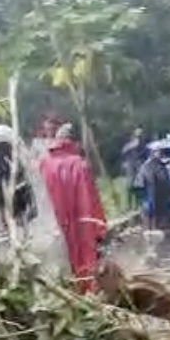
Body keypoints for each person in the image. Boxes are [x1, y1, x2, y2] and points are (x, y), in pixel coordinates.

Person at [39, 123, 107, 292]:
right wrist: (99, 229)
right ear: (74, 143)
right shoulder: (79, 165)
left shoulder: (43, 164)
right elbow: (90, 200)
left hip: (53, 225)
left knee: (61, 270)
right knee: (84, 266)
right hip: (80, 226)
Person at [138, 143, 170, 231]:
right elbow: (143, 182)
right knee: (151, 216)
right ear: (152, 153)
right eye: (157, 152)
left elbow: (166, 179)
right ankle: (151, 230)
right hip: (151, 196)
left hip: (162, 197)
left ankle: (161, 228)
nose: (159, 154)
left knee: (161, 217)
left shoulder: (160, 165)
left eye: (160, 152)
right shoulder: (147, 166)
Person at [120, 126, 147, 209]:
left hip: (138, 166)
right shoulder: (130, 145)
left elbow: (144, 155)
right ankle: (129, 205)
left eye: (141, 136)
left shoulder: (143, 145)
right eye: (139, 136)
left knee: (138, 185)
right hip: (131, 166)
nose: (140, 137)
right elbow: (124, 152)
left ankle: (137, 204)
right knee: (130, 186)